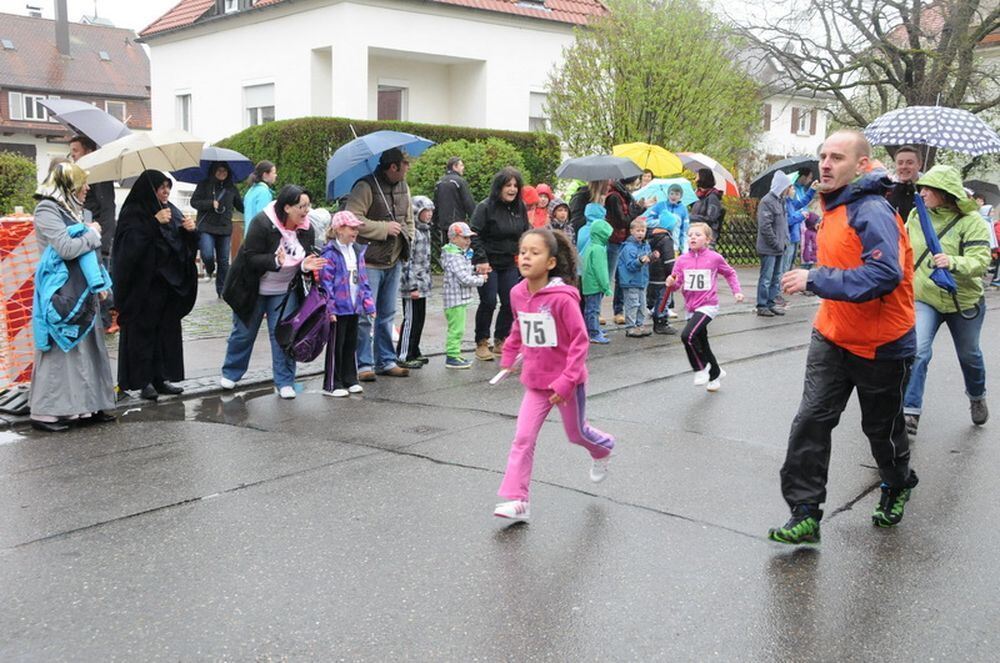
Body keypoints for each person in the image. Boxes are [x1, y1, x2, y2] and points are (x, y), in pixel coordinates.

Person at [769, 129, 919, 545]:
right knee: (811, 421)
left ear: (862, 165)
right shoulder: (832, 206)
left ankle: (896, 482)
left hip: (882, 344)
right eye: (823, 156)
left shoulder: (871, 210)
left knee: (881, 430)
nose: (826, 164)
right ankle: (805, 512)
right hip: (832, 336)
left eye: (837, 157)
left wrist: (815, 278)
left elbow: (885, 273)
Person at [493, 228, 616, 521]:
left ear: (550, 262)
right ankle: (519, 500)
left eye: (535, 253)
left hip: (567, 382)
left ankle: (603, 448)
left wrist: (566, 379)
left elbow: (580, 340)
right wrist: (509, 355)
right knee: (522, 438)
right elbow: (518, 327)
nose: (526, 257)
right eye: (523, 252)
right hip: (536, 382)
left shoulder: (563, 299)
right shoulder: (517, 293)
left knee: (576, 434)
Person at [902, 165, 992, 435]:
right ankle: (910, 411)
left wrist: (951, 261)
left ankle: (977, 396)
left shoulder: (972, 221)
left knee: (970, 355)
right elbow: (904, 247)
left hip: (962, 300)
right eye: (923, 187)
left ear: (946, 193)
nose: (923, 192)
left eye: (929, 188)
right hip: (925, 296)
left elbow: (981, 262)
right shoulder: (917, 214)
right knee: (917, 351)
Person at [28, 162, 116, 432]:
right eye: (82, 183)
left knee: (87, 348)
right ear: (68, 185)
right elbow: (66, 248)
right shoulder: (47, 209)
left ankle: (86, 406)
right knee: (60, 350)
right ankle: (46, 412)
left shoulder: (73, 210)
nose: (87, 188)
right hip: (62, 291)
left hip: (81, 288)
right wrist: (92, 234)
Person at [220, 185, 326, 399]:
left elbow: (304, 259)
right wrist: (274, 261)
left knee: (284, 336)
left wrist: (305, 266)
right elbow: (250, 257)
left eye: (308, 206)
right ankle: (231, 372)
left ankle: (285, 381)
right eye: (301, 206)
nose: (306, 211)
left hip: (284, 290)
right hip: (253, 287)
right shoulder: (262, 222)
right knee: (243, 333)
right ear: (287, 207)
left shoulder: (307, 228)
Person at [112, 170, 199, 401]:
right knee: (143, 334)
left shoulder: (171, 210)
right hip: (143, 287)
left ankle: (162, 377)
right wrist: (153, 223)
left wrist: (190, 232)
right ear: (149, 189)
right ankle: (144, 381)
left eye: (167, 187)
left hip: (166, 285)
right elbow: (128, 248)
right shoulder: (134, 211)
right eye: (161, 187)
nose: (166, 192)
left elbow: (180, 245)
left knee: (165, 333)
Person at [346, 147, 415, 380]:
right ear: (394, 166)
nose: (408, 167)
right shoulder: (365, 186)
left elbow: (409, 218)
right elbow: (352, 219)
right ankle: (363, 364)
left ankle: (386, 360)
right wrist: (384, 229)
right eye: (405, 164)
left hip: (394, 260)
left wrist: (409, 236)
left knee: (388, 313)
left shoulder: (404, 186)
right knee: (366, 315)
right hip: (370, 261)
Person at [664, 223, 743, 392]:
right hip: (690, 307)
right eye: (690, 234)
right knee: (702, 343)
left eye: (698, 235)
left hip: (708, 305)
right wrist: (671, 283)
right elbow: (677, 284)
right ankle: (715, 372)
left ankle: (700, 369)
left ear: (707, 239)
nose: (693, 237)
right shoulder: (682, 260)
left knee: (687, 336)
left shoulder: (714, 258)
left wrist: (737, 291)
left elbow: (730, 273)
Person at [470, 167, 531, 362]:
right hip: (487, 263)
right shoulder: (485, 207)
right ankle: (481, 341)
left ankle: (501, 339)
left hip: (509, 262)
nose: (512, 189)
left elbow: (524, 233)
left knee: (510, 301)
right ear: (499, 187)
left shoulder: (520, 207)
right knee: (488, 301)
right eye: (508, 185)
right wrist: (481, 259)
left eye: (515, 186)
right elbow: (474, 234)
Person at [318, 211, 376, 397]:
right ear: (339, 229)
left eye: (356, 228)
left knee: (351, 343)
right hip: (338, 308)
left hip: (354, 306)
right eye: (351, 228)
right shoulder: (330, 253)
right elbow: (325, 284)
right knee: (337, 345)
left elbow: (363, 280)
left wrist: (368, 305)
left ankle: (350, 378)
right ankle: (333, 383)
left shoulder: (357, 251)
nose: (355, 232)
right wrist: (330, 309)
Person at [69, 134, 118, 333]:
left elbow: (107, 209)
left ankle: (109, 319)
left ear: (88, 151)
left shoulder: (100, 175)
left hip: (99, 238)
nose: (72, 156)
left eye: (75, 151)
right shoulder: (82, 174)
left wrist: (105, 242)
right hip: (86, 236)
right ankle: (103, 320)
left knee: (101, 280)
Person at [191, 162, 244, 297]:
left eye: (225, 170)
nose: (222, 173)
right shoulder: (204, 184)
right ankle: (210, 269)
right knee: (207, 254)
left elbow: (240, 206)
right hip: (206, 227)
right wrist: (209, 203)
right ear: (213, 171)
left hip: (224, 228)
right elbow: (194, 202)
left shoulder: (231, 188)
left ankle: (222, 291)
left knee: (224, 261)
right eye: (219, 170)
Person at [441, 222, 486, 369]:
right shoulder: (454, 256)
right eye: (464, 237)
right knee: (457, 329)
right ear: (454, 238)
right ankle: (452, 356)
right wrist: (481, 279)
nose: (468, 241)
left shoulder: (458, 254)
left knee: (458, 328)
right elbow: (464, 278)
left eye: (468, 238)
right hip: (455, 299)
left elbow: (465, 272)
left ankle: (455, 353)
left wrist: (475, 270)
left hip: (458, 298)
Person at [396, 195, 434, 369]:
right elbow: (407, 262)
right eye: (426, 211)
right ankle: (403, 354)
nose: (429, 215)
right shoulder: (413, 233)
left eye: (431, 211)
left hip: (423, 284)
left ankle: (414, 349)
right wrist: (411, 285)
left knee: (420, 318)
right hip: (412, 286)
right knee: (410, 319)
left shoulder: (426, 231)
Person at [605, 176, 647, 324]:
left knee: (622, 277)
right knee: (611, 276)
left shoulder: (625, 195)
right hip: (615, 240)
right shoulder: (614, 197)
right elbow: (623, 221)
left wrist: (639, 207)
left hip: (623, 240)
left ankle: (619, 310)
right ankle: (606, 311)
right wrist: (639, 210)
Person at [755, 170, 792, 317]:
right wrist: (777, 243)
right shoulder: (767, 201)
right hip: (769, 248)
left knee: (776, 278)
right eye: (787, 187)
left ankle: (770, 303)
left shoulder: (781, 201)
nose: (788, 189)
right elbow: (765, 227)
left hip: (780, 247)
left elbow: (782, 224)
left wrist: (784, 242)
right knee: (766, 278)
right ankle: (762, 305)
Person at [580, 203, 613, 344]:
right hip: (595, 285)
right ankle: (593, 332)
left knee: (590, 308)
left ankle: (594, 329)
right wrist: (606, 286)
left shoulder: (591, 245)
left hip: (588, 283)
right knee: (593, 310)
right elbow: (601, 271)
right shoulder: (599, 249)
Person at [617, 217, 653, 337]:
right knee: (632, 304)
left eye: (642, 231)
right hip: (631, 281)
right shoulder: (628, 247)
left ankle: (640, 325)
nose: (640, 233)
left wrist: (653, 257)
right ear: (631, 231)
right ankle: (630, 327)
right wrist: (640, 261)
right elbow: (630, 266)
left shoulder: (645, 245)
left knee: (642, 305)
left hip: (642, 280)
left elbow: (648, 258)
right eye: (638, 231)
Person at [432, 156, 477, 245]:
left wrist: (434, 224)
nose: (463, 168)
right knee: (459, 249)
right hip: (458, 225)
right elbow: (469, 203)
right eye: (461, 165)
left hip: (443, 225)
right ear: (454, 166)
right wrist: (475, 220)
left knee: (446, 249)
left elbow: (435, 205)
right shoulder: (459, 181)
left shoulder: (439, 182)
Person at [645, 212, 678, 335]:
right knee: (664, 298)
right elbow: (669, 259)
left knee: (654, 297)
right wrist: (672, 274)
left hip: (650, 273)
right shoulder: (666, 239)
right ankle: (661, 322)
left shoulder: (650, 236)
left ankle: (654, 315)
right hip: (662, 275)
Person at [689, 168, 726, 244]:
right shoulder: (698, 196)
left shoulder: (712, 198)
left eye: (697, 177)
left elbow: (710, 218)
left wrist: (690, 217)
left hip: (708, 236)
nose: (695, 179)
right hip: (696, 233)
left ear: (702, 178)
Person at [887, 145, 923, 221]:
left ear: (919, 165)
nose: (904, 167)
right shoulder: (887, 190)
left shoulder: (927, 191)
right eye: (900, 163)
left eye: (909, 163)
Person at [242, 160, 277, 237]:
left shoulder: (251, 190)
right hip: (258, 236)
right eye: (273, 173)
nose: (275, 175)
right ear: (265, 175)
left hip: (248, 233)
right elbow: (263, 217)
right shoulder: (264, 192)